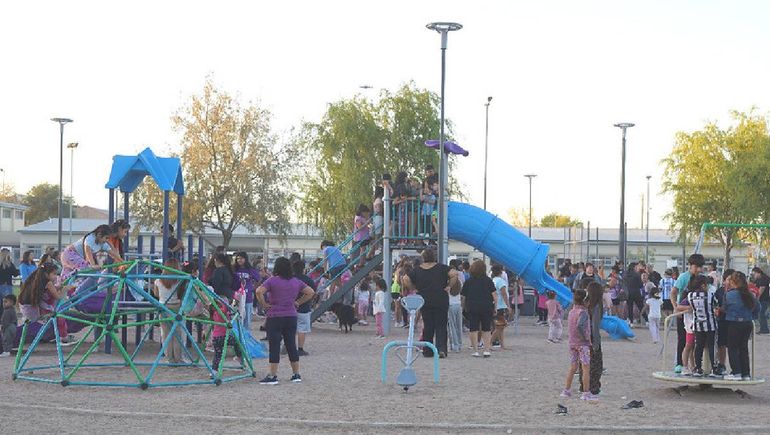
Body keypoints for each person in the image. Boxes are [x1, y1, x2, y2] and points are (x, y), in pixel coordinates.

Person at [254, 257, 314, 385]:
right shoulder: (296, 281)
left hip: (275, 316)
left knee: (274, 345)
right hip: (291, 316)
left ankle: (272, 375)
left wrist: (264, 304)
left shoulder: (272, 281)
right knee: (291, 344)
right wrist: (297, 302)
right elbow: (310, 292)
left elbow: (259, 291)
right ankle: (296, 374)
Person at [403, 249, 455, 358]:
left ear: (423, 258)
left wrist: (414, 288)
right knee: (441, 325)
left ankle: (427, 350)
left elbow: (405, 278)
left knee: (428, 325)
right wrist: (449, 286)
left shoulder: (417, 270)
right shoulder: (442, 268)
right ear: (434, 257)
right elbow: (454, 274)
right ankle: (441, 349)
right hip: (440, 299)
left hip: (424, 300)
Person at [17, 263, 70, 343]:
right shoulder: (48, 283)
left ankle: (62, 336)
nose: (56, 276)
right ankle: (64, 338)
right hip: (34, 312)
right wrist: (65, 289)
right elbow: (58, 296)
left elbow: (51, 290)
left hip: (25, 309)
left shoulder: (36, 280)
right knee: (59, 316)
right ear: (46, 274)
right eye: (54, 274)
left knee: (56, 312)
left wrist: (59, 287)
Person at [670, 254, 704, 373]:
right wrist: (675, 308)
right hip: (683, 311)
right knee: (682, 339)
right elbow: (673, 293)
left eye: (700, 267)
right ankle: (680, 363)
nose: (698, 270)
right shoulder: (684, 277)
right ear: (690, 265)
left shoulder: (701, 278)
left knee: (694, 341)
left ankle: (693, 364)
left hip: (697, 314)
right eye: (696, 267)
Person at [724, 271, 760, 381]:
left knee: (732, 347)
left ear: (733, 282)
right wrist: (751, 316)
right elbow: (758, 308)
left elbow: (724, 308)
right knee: (743, 348)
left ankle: (736, 372)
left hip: (734, 323)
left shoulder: (729, 294)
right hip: (747, 323)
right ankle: (746, 374)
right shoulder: (750, 294)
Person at [560, 289, 596, 402]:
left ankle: (566, 390)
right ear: (585, 301)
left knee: (573, 367)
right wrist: (586, 337)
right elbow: (580, 325)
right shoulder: (583, 312)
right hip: (582, 344)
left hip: (572, 343)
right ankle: (586, 393)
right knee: (585, 368)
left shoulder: (571, 311)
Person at [682, 275, 718, 377]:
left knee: (698, 347)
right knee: (711, 346)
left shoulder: (690, 296)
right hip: (710, 324)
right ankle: (713, 369)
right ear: (703, 285)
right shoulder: (710, 295)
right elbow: (715, 306)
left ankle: (698, 368)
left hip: (697, 324)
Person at [461, 260, 496, 357]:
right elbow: (494, 295)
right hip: (486, 306)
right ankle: (486, 349)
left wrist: (463, 307)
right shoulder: (488, 280)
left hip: (472, 307)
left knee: (473, 329)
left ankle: (475, 350)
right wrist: (495, 307)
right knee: (486, 329)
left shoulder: (469, 281)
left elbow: (463, 296)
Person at [152, 258, 184, 364]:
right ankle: (178, 358)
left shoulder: (158, 281)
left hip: (163, 307)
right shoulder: (179, 280)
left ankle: (169, 358)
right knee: (177, 334)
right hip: (176, 307)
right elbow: (181, 294)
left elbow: (156, 295)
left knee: (166, 334)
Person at [291, 260, 316, 356]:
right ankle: (300, 349)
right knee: (302, 328)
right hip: (304, 308)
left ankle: (287, 346)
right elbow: (313, 292)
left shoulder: (289, 279)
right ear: (303, 269)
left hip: (289, 308)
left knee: (289, 328)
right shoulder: (308, 280)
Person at [584, 282, 604, 399]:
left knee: (585, 364)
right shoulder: (597, 305)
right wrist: (596, 342)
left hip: (584, 336)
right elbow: (595, 325)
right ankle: (594, 388)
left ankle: (584, 386)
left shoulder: (586, 303)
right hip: (592, 337)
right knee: (596, 364)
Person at [713, 268, 735, 376]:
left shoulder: (737, 292)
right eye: (729, 279)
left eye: (733, 279)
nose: (730, 282)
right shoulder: (720, 291)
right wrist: (718, 310)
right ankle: (721, 364)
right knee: (721, 344)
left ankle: (735, 367)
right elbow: (716, 305)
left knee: (733, 345)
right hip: (722, 321)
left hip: (734, 321)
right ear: (724, 280)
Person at [232, 252, 260, 331]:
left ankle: (246, 338)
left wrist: (253, 288)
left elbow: (258, 279)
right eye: (238, 258)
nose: (239, 260)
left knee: (247, 320)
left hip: (248, 298)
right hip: (236, 298)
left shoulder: (250, 270)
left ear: (245, 259)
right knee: (236, 319)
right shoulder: (234, 269)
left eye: (241, 258)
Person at [490, 265, 509, 349]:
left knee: (500, 326)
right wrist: (508, 306)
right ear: (501, 272)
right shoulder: (501, 281)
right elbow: (504, 294)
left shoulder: (493, 280)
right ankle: (490, 342)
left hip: (495, 305)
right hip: (501, 305)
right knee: (500, 326)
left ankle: (502, 344)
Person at [0, 248, 19, 320]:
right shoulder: (9, 264)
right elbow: (15, 274)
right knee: (9, 302)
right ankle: (7, 317)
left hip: (1, 284)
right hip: (7, 284)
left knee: (2, 303)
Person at [447, 269, 463, 352]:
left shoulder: (448, 283)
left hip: (450, 305)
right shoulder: (459, 282)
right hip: (458, 304)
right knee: (459, 326)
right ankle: (460, 344)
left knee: (451, 326)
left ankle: (454, 344)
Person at [625, 262, 645, 326]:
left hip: (628, 293)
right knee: (641, 306)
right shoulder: (636, 275)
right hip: (636, 292)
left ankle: (631, 322)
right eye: (637, 267)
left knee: (630, 307)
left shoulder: (626, 275)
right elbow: (640, 285)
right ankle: (647, 320)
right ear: (634, 267)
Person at [751, 267, 769, 335]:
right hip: (762, 299)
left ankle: (764, 329)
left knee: (761, 313)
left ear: (758, 273)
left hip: (764, 299)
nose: (754, 275)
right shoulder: (759, 279)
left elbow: (761, 289)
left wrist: (757, 298)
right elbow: (754, 286)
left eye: (754, 274)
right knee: (761, 313)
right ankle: (763, 328)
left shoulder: (764, 278)